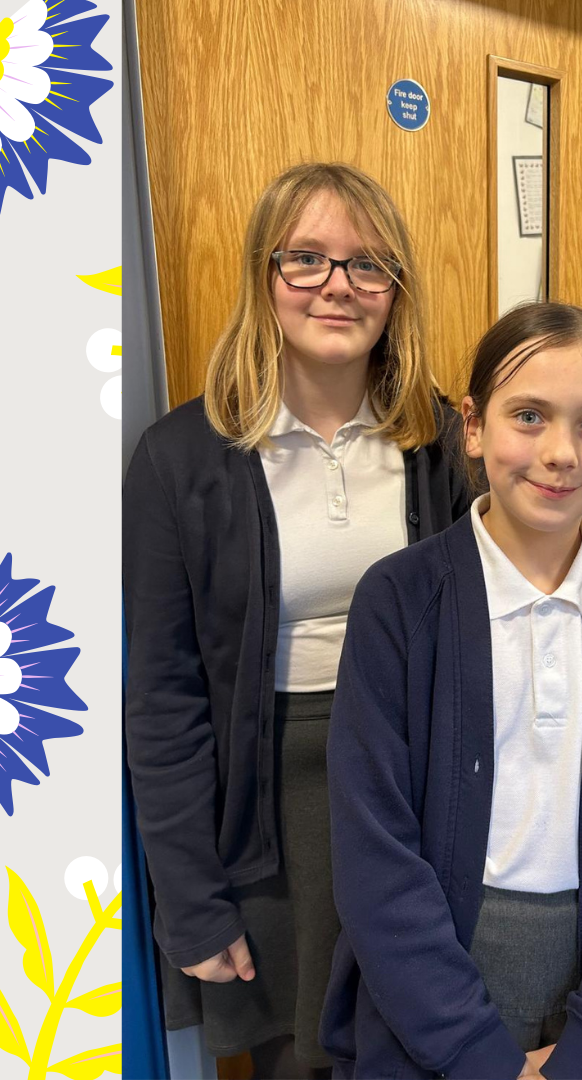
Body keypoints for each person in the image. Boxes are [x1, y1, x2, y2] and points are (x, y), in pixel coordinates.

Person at [123, 162, 469, 1079]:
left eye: (368, 264)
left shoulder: (439, 443)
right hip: (269, 812)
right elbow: (162, 701)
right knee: (297, 1061)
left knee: (418, 1042)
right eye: (306, 258)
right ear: (264, 275)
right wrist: (192, 904)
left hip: (410, 788)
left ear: (396, 289)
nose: (337, 286)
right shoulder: (180, 460)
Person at [321, 302, 582, 1080]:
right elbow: (374, 849)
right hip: (428, 999)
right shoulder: (399, 599)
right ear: (473, 426)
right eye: (528, 416)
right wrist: (475, 1054)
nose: (560, 453)